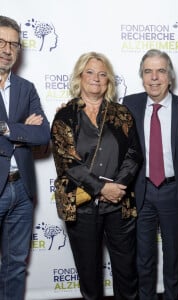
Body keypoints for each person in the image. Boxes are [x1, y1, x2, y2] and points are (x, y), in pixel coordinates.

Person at [51, 51, 142, 300]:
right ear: (80, 77)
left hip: (119, 206)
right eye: (90, 72)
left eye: (102, 74)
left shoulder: (121, 113)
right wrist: (102, 188)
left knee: (127, 274)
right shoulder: (65, 115)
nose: (96, 78)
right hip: (82, 207)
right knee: (89, 278)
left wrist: (118, 187)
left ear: (109, 81)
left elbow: (134, 154)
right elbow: (67, 161)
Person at [123, 49, 178, 300]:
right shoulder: (129, 105)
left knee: (173, 258)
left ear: (170, 77)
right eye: (148, 71)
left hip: (173, 192)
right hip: (141, 192)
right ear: (142, 76)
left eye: (161, 71)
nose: (154, 77)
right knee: (143, 259)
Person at [0, 15, 50, 300]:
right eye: (1, 42)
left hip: (22, 188)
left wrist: (5, 128)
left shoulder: (26, 87)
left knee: (16, 265)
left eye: (14, 44)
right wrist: (21, 129)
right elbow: (30, 133)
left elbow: (43, 134)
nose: (8, 49)